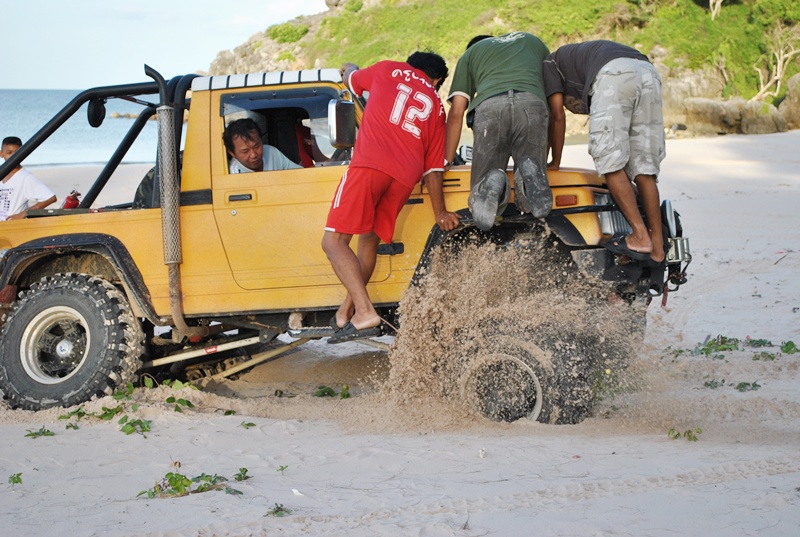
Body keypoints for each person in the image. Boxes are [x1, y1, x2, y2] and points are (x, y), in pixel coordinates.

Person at [321, 51, 461, 344]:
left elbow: (351, 80)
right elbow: (434, 169)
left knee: (333, 242)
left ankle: (365, 311)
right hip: (405, 177)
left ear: (411, 65)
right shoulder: (437, 106)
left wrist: (349, 66)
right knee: (368, 240)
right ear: (436, 80)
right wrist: (440, 213)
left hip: (371, 164)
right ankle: (345, 313)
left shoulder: (389, 69)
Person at [543, 40, 666, 264]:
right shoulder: (576, 59)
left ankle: (640, 236)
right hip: (648, 71)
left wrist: (555, 161)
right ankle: (657, 246)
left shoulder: (549, 63)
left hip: (613, 74)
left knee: (610, 161)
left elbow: (557, 115)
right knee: (644, 167)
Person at [445, 31, 552, 231]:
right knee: (532, 175)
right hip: (532, 103)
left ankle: (491, 179)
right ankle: (526, 179)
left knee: (482, 196)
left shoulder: (471, 54)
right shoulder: (532, 41)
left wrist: (447, 159)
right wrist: (551, 158)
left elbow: (457, 112)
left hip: (490, 108)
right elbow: (554, 99)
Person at [0, 136, 57, 221]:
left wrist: (24, 213)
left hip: (12, 224)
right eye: (9, 153)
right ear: (1, 154)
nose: (13, 157)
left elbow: (50, 198)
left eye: (17, 153)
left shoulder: (26, 177)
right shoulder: (1, 173)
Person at [223, 118, 302, 173]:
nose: (254, 155)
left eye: (256, 146)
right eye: (245, 151)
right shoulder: (233, 174)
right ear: (232, 153)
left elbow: (299, 173)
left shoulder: (271, 152)